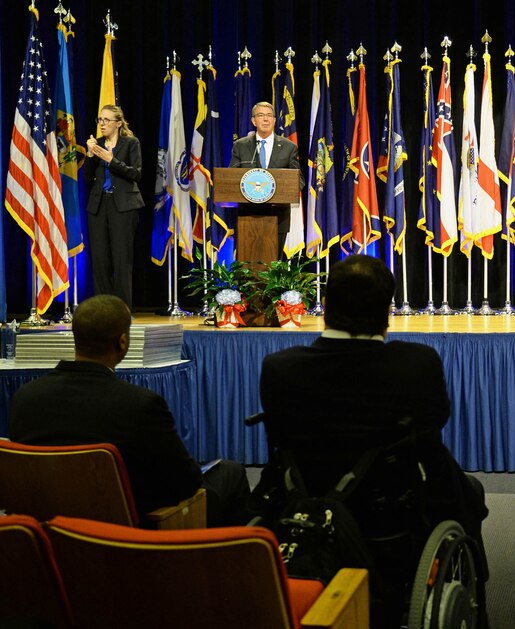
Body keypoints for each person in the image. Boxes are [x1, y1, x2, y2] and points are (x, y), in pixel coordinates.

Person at [258, 255, 489, 625]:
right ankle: (478, 604)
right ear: (388, 311)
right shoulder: (416, 363)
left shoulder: (280, 368)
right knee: (470, 491)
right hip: (392, 526)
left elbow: (278, 437)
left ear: (326, 307)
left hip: (299, 509)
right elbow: (434, 424)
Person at [8, 295, 250, 526]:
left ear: (75, 337)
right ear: (122, 341)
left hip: (48, 534)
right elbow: (186, 482)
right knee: (230, 473)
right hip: (127, 538)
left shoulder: (25, 398)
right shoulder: (140, 404)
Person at [86, 104, 143, 308]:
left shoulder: (130, 143)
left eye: (106, 120)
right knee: (99, 259)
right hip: (99, 206)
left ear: (118, 123)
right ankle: (102, 308)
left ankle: (121, 309)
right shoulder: (97, 144)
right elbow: (87, 178)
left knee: (121, 259)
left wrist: (112, 160)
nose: (102, 124)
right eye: (100, 120)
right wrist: (91, 155)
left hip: (124, 207)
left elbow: (136, 174)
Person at [229, 101, 301, 253]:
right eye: (261, 115)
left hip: (278, 217)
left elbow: (298, 181)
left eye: (269, 116)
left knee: (274, 267)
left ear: (275, 120)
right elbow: (231, 179)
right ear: (253, 120)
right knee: (246, 269)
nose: (266, 119)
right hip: (247, 216)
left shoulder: (289, 147)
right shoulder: (241, 146)